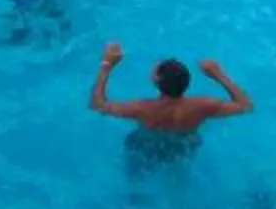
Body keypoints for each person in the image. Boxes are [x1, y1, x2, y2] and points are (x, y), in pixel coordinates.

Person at [90, 44, 252, 139]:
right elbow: (245, 106)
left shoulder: (141, 108)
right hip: (185, 145)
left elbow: (98, 105)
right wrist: (218, 74)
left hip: (147, 143)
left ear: (155, 81)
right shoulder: (203, 106)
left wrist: (107, 65)